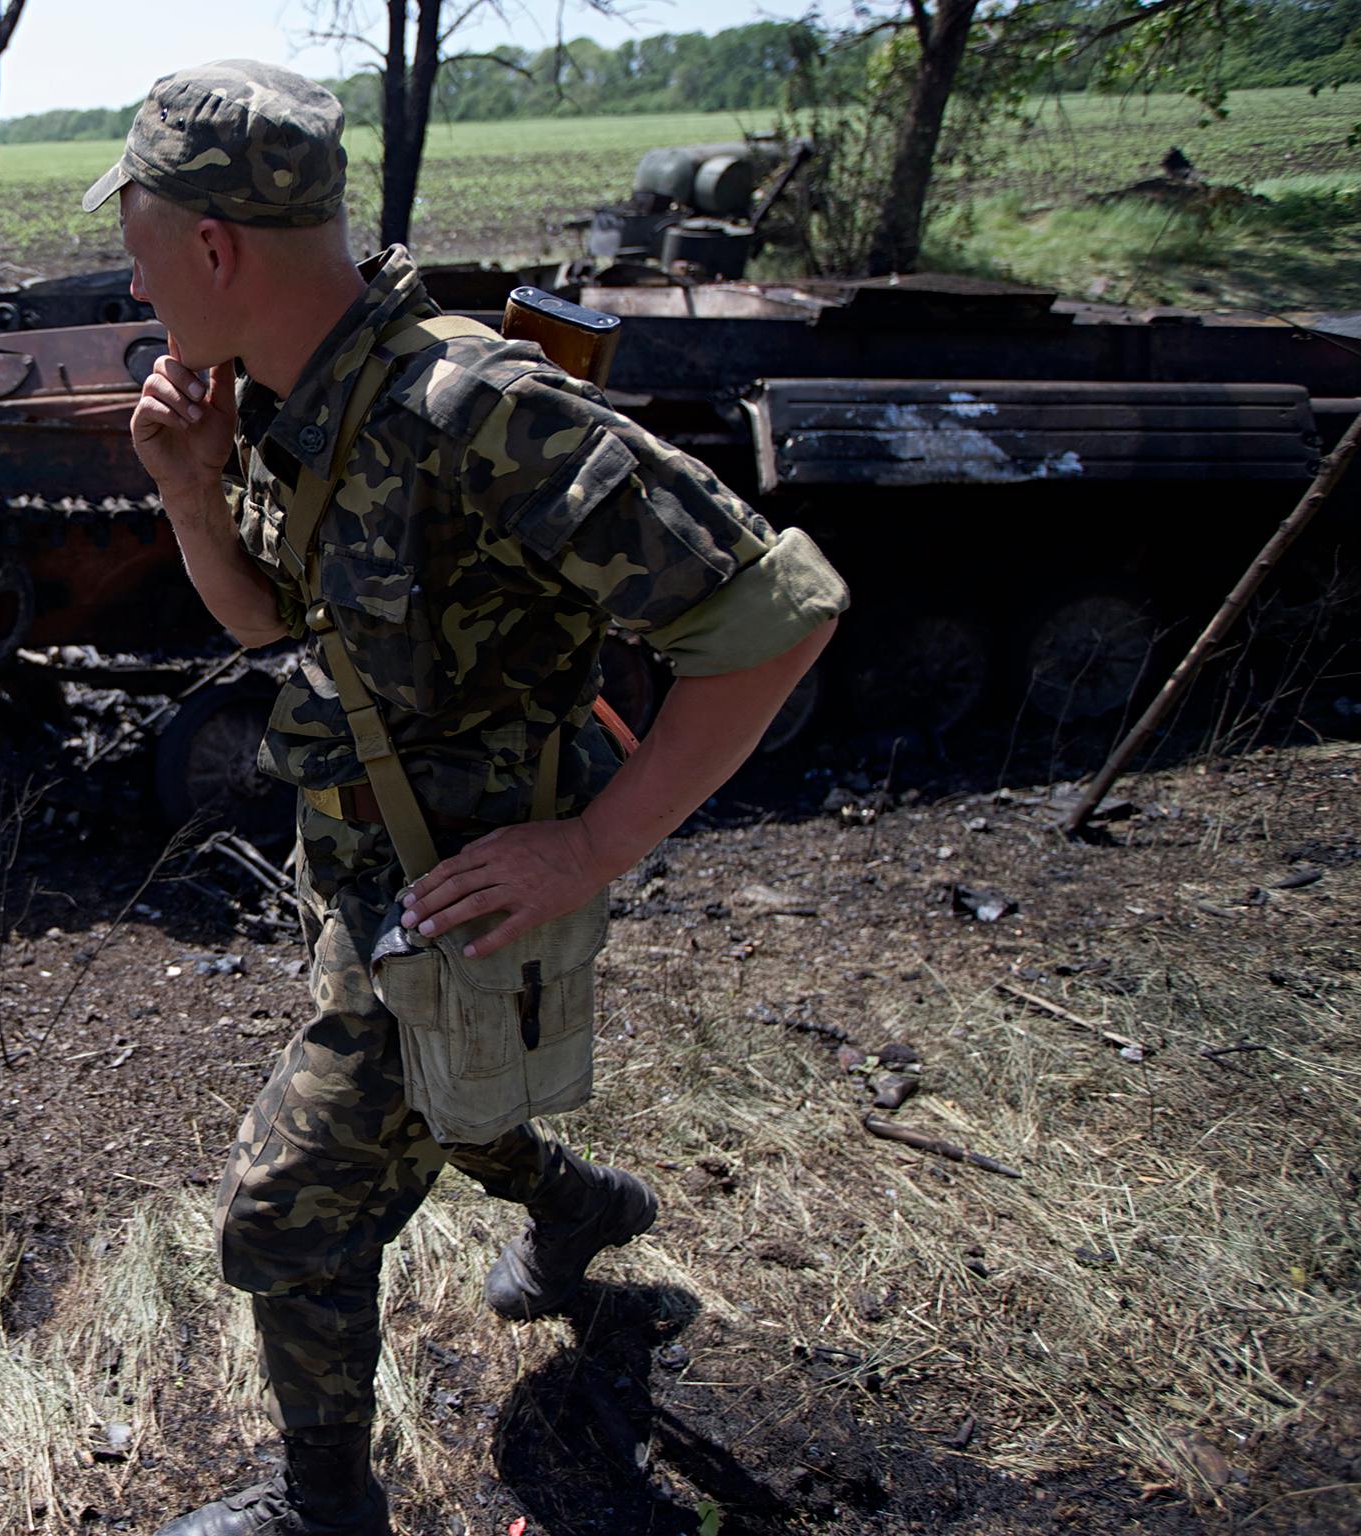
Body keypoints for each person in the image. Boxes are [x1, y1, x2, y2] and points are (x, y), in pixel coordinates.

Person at [86, 59, 849, 1536]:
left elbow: (780, 609)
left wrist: (595, 842)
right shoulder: (303, 400)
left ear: (213, 248)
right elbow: (268, 627)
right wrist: (190, 490)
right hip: (375, 881)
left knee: (286, 1215)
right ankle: (578, 1205)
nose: (133, 283)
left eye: (135, 250)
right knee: (440, 1104)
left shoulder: (471, 406)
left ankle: (324, 1507)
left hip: (476, 897)